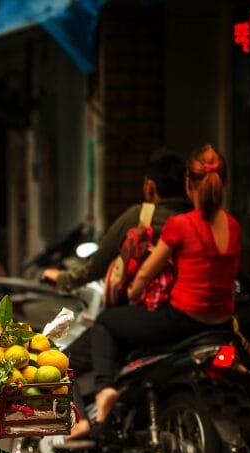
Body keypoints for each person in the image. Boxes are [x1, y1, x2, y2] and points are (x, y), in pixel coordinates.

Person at [83, 145, 241, 426]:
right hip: (221, 324)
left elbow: (145, 272)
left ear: (187, 185)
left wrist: (132, 291)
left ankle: (104, 388)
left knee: (106, 322)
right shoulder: (234, 226)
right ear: (225, 183)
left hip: (182, 320)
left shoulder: (181, 225)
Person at [43, 148, 192, 291]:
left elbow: (98, 265)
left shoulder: (140, 216)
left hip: (155, 307)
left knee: (107, 318)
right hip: (198, 308)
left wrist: (65, 278)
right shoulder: (199, 218)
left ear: (149, 187)